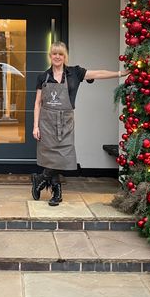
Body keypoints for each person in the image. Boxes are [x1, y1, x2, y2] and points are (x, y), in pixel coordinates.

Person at [31, 41, 127, 206]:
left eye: (60, 54)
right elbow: (37, 103)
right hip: (46, 121)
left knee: (63, 156)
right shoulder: (43, 77)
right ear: (50, 56)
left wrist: (121, 73)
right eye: (54, 53)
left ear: (65, 56)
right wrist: (35, 126)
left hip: (66, 121)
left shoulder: (75, 73)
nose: (57, 57)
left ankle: (40, 179)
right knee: (51, 158)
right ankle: (57, 193)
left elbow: (98, 73)